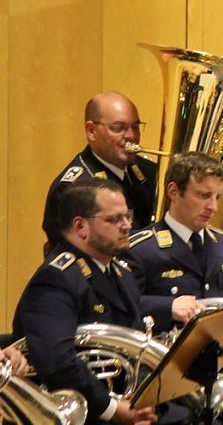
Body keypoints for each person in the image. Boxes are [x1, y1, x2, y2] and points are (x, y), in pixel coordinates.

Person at [125, 151, 223, 424]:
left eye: (217, 196)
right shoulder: (141, 249)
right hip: (165, 375)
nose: (214, 207)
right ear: (174, 191)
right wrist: (167, 307)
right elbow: (121, 311)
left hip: (221, 371)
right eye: (203, 195)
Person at [15, 178, 159, 424]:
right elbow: (58, 363)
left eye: (128, 216)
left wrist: (140, 400)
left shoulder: (121, 272)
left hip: (121, 402)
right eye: (115, 219)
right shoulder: (56, 279)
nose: (127, 226)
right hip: (83, 414)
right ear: (80, 226)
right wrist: (113, 409)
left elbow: (137, 347)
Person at [43, 91, 157, 249]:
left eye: (136, 127)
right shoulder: (72, 190)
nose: (131, 135)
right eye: (118, 128)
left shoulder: (148, 170)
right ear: (91, 131)